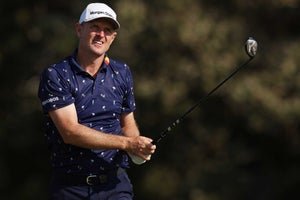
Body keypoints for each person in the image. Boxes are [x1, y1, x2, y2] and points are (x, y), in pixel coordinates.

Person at [38, 3, 156, 199]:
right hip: (71, 188)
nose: (101, 34)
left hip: (115, 185)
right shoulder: (56, 74)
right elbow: (70, 132)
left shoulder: (122, 71)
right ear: (79, 29)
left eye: (107, 30)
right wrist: (127, 144)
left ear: (113, 38)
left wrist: (138, 145)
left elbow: (127, 124)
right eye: (95, 27)